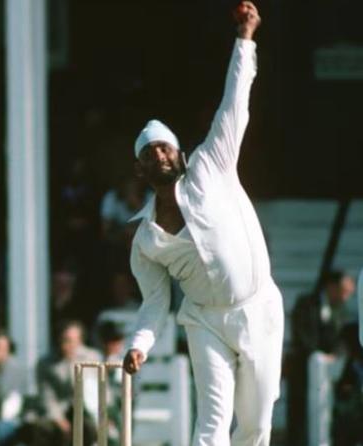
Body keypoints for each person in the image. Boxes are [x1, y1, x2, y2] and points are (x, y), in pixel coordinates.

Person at [121, 3, 284, 445]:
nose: (158, 154)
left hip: (258, 309)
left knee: (255, 425)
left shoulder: (212, 165)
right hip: (204, 321)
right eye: (149, 152)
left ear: (179, 154)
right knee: (211, 427)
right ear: (141, 170)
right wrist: (139, 345)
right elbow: (155, 302)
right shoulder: (145, 239)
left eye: (165, 148)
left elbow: (235, 104)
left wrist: (245, 39)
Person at [288, 270, 356, 445]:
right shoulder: (307, 304)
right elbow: (302, 334)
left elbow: (340, 337)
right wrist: (317, 355)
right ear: (332, 287)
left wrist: (335, 355)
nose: (346, 297)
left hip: (326, 376)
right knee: (299, 418)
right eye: (344, 291)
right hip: (302, 371)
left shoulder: (341, 310)